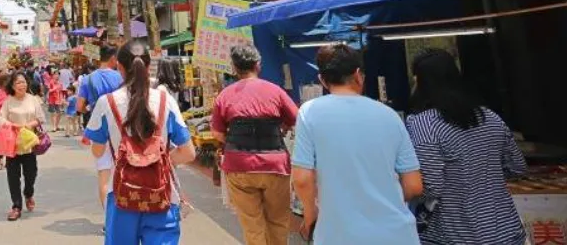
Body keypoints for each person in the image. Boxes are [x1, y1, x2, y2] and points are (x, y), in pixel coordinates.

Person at [291, 44, 423, 245]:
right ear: (358, 75)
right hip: (398, 235)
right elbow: (414, 185)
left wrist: (311, 213)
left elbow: (301, 180)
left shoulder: (309, 113)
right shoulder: (390, 115)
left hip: (338, 235)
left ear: (322, 80)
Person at [406, 49, 527, 245]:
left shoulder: (423, 123)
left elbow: (431, 186)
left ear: (420, 82)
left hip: (453, 235)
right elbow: (517, 166)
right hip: (507, 232)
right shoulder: (489, 116)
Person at [86, 41, 196, 244]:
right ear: (148, 66)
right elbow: (188, 153)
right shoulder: (166, 101)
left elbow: (98, 151)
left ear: (119, 66)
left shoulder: (106, 103)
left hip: (121, 195)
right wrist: (156, 160)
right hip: (161, 195)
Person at [210, 42, 298, 245]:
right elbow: (297, 118)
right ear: (258, 65)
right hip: (275, 166)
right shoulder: (275, 91)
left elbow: (217, 133)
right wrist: (282, 127)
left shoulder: (225, 95)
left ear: (234, 68)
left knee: (253, 227)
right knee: (278, 223)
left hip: (239, 167)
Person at [78, 45, 125, 213]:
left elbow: (79, 106)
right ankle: (125, 213)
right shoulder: (121, 76)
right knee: (124, 172)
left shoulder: (87, 79)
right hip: (122, 129)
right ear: (113, 59)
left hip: (99, 129)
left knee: (104, 176)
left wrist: (90, 109)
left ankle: (108, 217)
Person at [0, 71, 47, 221]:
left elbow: (40, 118)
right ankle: (16, 207)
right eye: (18, 82)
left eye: (23, 82)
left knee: (31, 174)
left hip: (29, 144)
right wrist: (12, 125)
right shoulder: (8, 101)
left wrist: (29, 125)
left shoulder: (33, 99)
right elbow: (0, 119)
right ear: (12, 85)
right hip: (12, 144)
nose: (21, 85)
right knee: (13, 177)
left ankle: (28, 193)